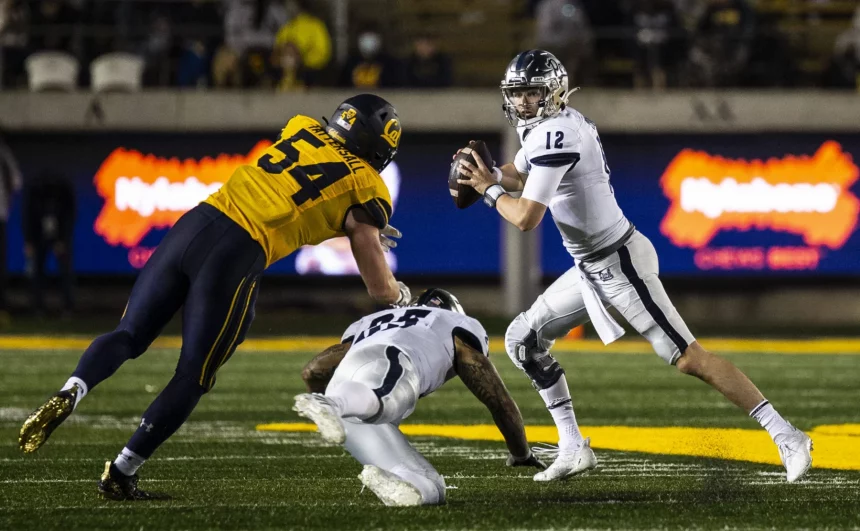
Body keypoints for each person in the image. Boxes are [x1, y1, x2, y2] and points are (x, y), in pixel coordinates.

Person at [18, 94, 412, 500]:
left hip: (196, 224)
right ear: (380, 145)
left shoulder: (301, 128)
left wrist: (348, 226)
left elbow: (297, 187)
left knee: (130, 333)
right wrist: (398, 290)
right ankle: (121, 472)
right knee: (194, 374)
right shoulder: (368, 187)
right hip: (237, 252)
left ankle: (72, 389)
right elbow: (378, 287)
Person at [454, 49, 813, 483]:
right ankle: (572, 446)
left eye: (532, 93)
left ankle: (786, 434)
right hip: (591, 266)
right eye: (517, 94)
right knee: (523, 340)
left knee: (688, 358)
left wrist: (489, 190)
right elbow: (519, 172)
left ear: (554, 93)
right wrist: (491, 172)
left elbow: (526, 217)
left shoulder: (556, 133)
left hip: (619, 261)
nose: (523, 103)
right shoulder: (550, 130)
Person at [294, 288, 545, 506]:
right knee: (384, 403)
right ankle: (333, 404)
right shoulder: (455, 324)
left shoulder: (371, 321)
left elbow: (313, 371)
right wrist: (521, 453)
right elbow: (497, 400)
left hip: (346, 387)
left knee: (429, 486)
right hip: (392, 363)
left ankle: (396, 480)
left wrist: (323, 396)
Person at [22, 170, 76, 315]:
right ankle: (37, 307)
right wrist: (29, 241)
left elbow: (69, 217)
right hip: (39, 235)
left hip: (60, 234)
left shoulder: (63, 193)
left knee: (65, 271)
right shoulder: (35, 192)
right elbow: (28, 217)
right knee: (37, 271)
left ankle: (67, 307)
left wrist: (63, 239)